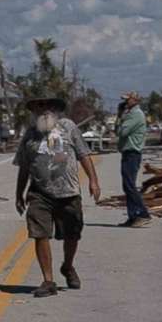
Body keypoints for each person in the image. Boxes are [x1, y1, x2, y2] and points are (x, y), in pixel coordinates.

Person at [12, 92, 102, 293]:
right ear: (34, 111)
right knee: (40, 234)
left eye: (48, 106)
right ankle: (48, 280)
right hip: (39, 193)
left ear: (55, 110)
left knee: (73, 234)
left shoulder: (68, 127)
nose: (44, 110)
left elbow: (84, 155)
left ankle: (67, 266)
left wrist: (93, 181)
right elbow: (24, 167)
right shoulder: (30, 135)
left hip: (68, 192)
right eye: (39, 106)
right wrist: (19, 193)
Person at [112, 91, 152, 225]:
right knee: (127, 186)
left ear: (135, 100)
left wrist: (120, 118)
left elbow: (122, 132)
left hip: (132, 153)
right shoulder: (129, 114)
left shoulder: (136, 114)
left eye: (127, 99)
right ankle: (133, 216)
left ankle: (143, 213)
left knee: (130, 185)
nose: (125, 102)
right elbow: (118, 131)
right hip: (128, 152)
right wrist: (119, 116)